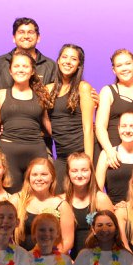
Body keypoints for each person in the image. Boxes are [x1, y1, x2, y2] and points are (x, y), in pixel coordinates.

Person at [0, 51, 52, 194]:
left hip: (36, 151)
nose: (21, 69)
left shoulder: (41, 95)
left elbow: (48, 125)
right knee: (11, 198)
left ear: (32, 71)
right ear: (10, 70)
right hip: (8, 153)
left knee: (38, 196)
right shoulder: (0, 95)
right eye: (17, 66)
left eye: (25, 66)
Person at [46, 44, 95, 184]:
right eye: (64, 57)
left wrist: (88, 162)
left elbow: (88, 128)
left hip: (81, 153)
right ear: (58, 60)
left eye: (73, 59)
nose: (68, 61)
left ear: (79, 64)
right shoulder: (48, 89)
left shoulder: (83, 88)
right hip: (62, 156)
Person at [12, 157, 74, 253]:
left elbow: (67, 241)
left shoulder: (62, 206)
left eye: (44, 174)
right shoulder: (16, 201)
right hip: (19, 258)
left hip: (50, 259)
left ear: (52, 178)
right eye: (34, 175)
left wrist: (48, 257)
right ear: (29, 178)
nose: (39, 179)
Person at [61, 151, 114, 257]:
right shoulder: (62, 201)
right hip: (71, 259)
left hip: (100, 258)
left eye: (84, 170)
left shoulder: (101, 199)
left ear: (91, 172)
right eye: (74, 171)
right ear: (68, 173)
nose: (79, 175)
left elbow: (112, 235)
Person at [0, 17, 57, 90]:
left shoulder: (51, 67)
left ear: (38, 38)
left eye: (30, 32)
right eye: (21, 32)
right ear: (14, 38)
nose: (26, 36)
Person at [97, 111, 133, 206]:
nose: (127, 130)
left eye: (132, 126)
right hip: (112, 209)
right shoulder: (105, 155)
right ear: (118, 128)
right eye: (124, 126)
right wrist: (111, 208)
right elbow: (98, 191)